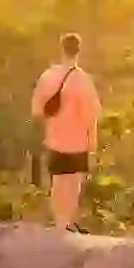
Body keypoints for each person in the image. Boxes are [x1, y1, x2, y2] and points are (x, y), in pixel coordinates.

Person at [31, 33, 102, 233]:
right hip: (78, 141)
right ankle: (67, 224)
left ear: (61, 49)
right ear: (79, 51)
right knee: (73, 183)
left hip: (54, 139)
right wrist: (93, 144)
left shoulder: (48, 77)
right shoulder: (83, 81)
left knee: (57, 182)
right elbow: (91, 117)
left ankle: (59, 224)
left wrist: (55, 118)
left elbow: (37, 110)